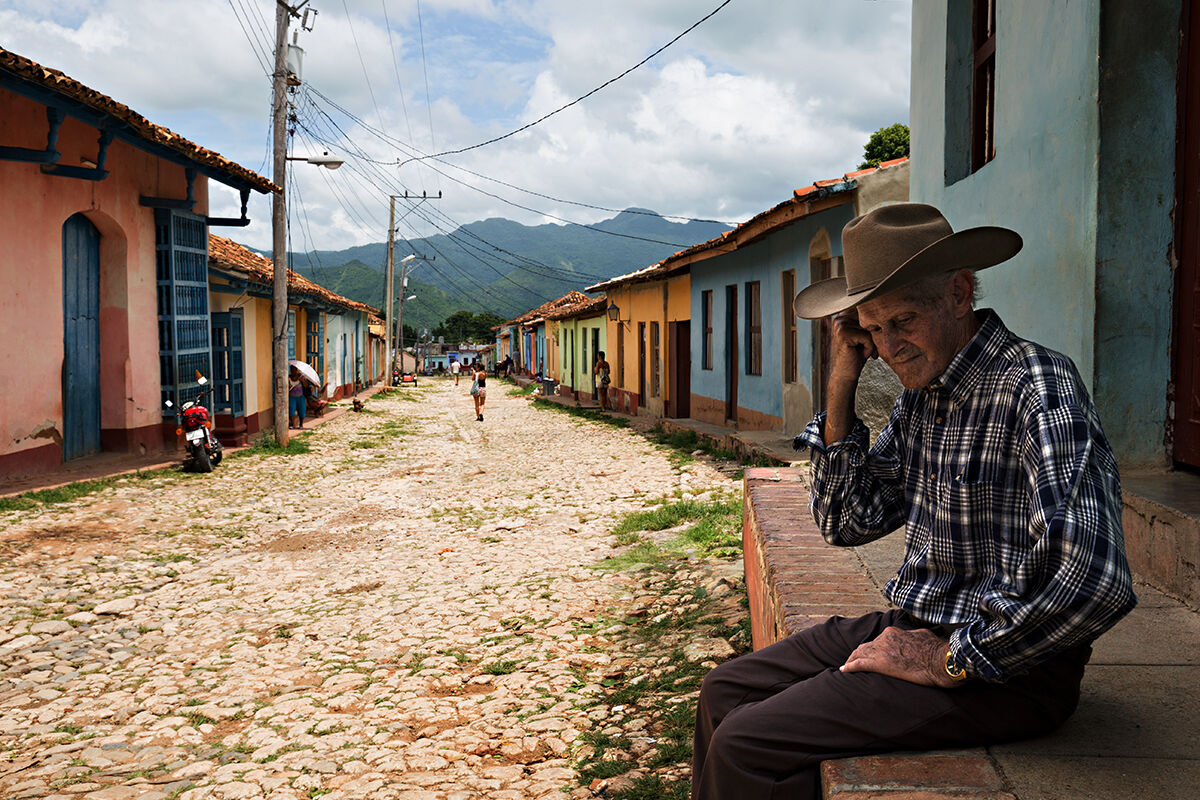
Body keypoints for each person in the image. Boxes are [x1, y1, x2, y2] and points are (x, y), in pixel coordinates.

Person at [691, 203, 1137, 800]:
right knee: (726, 691)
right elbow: (845, 521)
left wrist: (950, 659)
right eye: (872, 329)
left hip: (1005, 668)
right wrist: (842, 378)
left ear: (958, 294)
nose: (890, 346)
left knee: (748, 744)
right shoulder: (923, 393)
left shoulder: (1035, 387)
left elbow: (1095, 579)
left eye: (903, 320)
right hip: (921, 622)